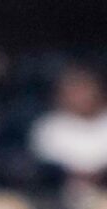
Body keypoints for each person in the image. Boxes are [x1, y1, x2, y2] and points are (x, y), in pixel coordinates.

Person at [31, 64, 107, 196]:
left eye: (85, 89)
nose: (81, 97)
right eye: (74, 91)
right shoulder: (48, 127)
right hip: (58, 197)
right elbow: (44, 167)